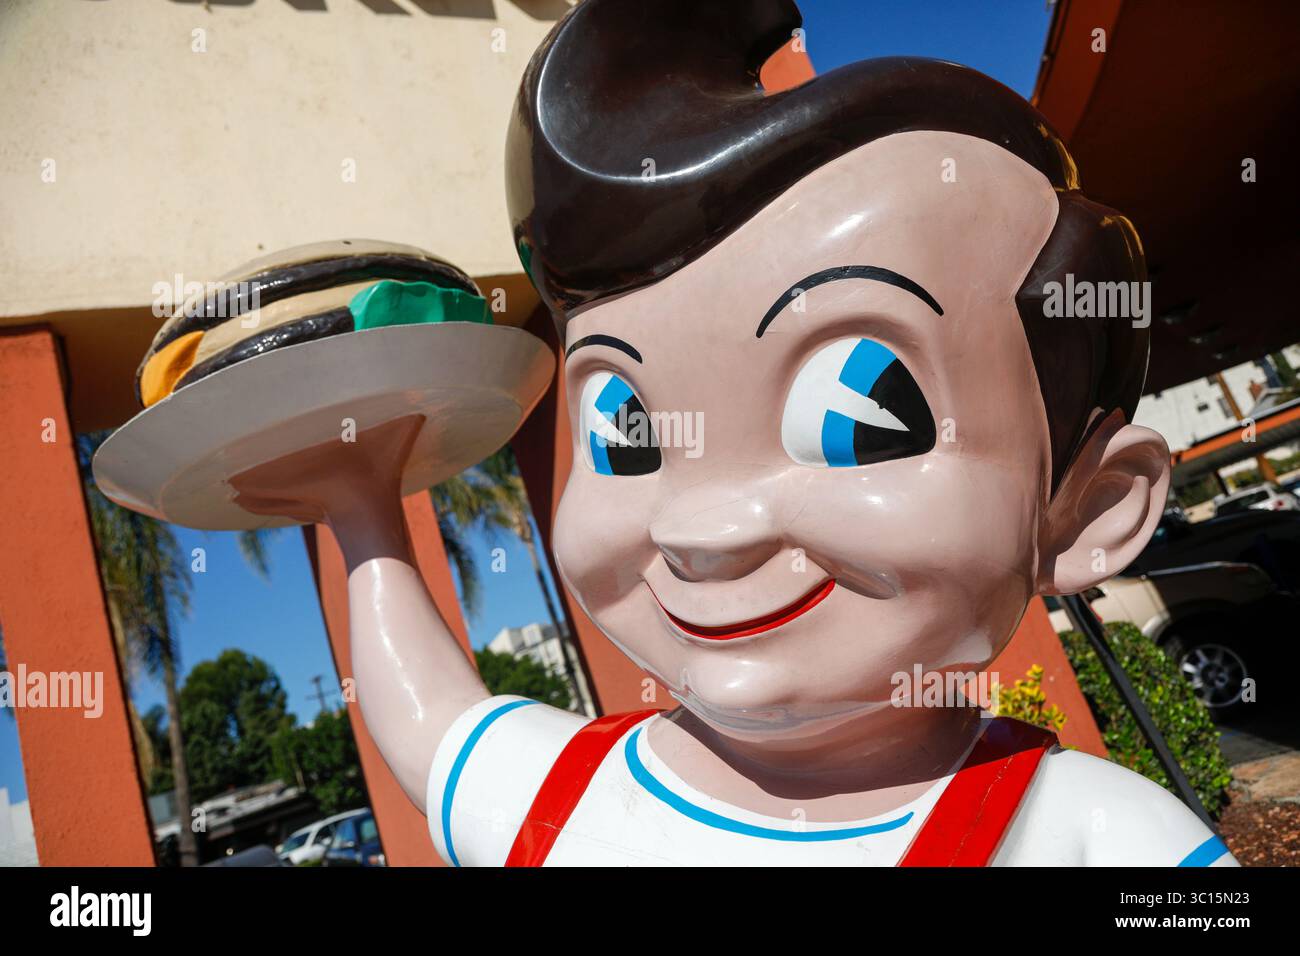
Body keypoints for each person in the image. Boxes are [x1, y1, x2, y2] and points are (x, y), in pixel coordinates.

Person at [232, 0, 1235, 866]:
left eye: (859, 413)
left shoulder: (1091, 838)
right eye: (624, 430)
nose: (704, 528)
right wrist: (360, 504)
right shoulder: (559, 798)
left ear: (1090, 508)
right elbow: (432, 722)